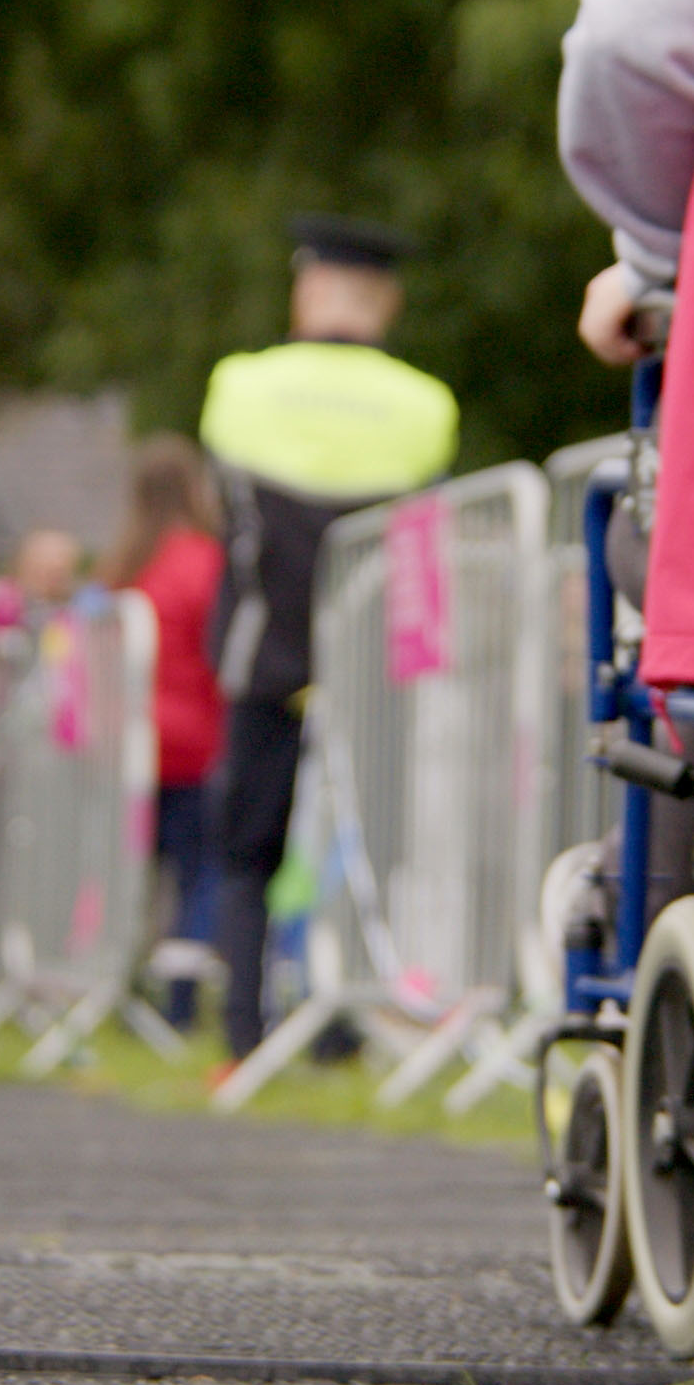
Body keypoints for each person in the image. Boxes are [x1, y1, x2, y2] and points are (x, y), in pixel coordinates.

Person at [196, 213, 459, 1060]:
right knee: (369, 842)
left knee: (248, 853)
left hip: (266, 650)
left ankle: (243, 1030)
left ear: (308, 290)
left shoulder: (239, 383)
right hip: (373, 664)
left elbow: (225, 515)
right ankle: (340, 1024)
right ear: (387, 300)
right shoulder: (426, 405)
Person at [109, 434, 226, 1027]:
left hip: (130, 745)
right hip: (195, 743)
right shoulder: (204, 561)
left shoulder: (124, 567)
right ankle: (181, 1002)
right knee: (197, 876)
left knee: (130, 873)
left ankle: (121, 986)